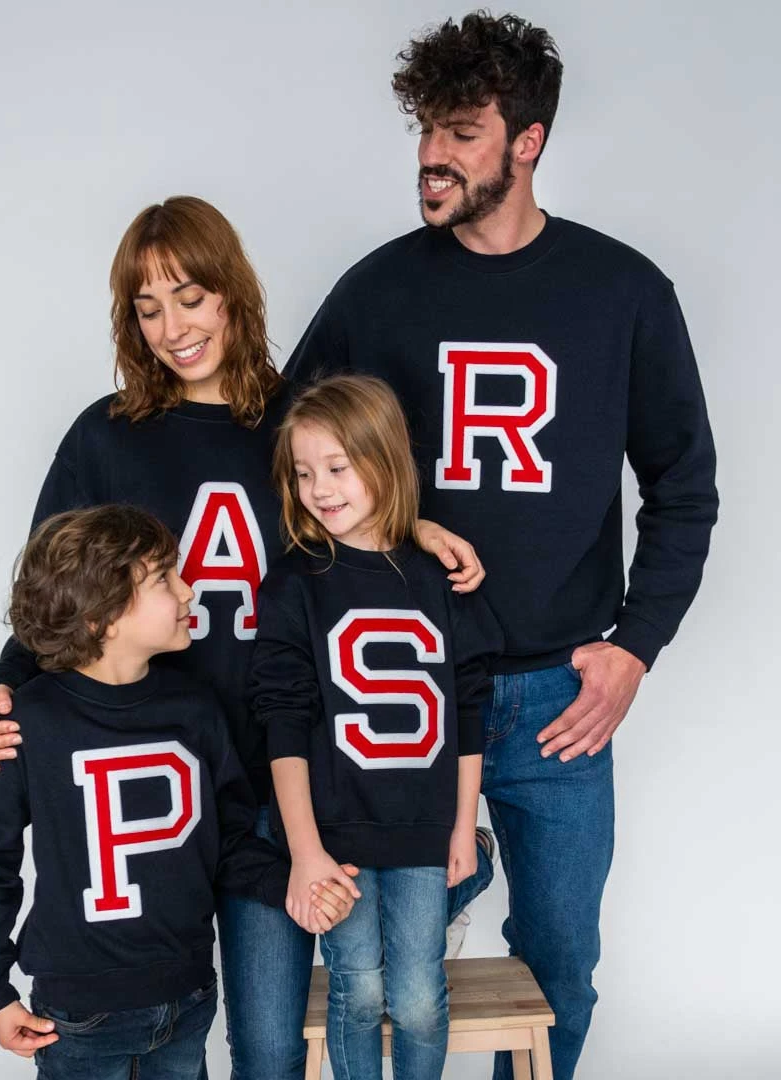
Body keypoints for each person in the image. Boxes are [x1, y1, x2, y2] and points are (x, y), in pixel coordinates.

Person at [284, 12, 719, 1079]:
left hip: (561, 697)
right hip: (403, 688)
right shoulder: (379, 290)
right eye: (427, 130)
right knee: (383, 963)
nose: (433, 155)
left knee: (561, 962)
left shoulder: (622, 291)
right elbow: (284, 447)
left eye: (463, 132)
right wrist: (398, 527)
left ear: (528, 142)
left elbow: (684, 488)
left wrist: (635, 647)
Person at [0, 195, 487, 1079]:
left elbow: (364, 510)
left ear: (232, 292)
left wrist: (417, 533)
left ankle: (449, 888)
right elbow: (52, 592)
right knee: (187, 1026)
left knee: (277, 1041)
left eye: (191, 297)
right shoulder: (105, 437)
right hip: (155, 768)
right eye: (148, 308)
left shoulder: (297, 418)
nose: (173, 328)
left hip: (282, 777)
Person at [0, 504, 355, 1080]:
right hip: (78, 1018)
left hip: (187, 1001)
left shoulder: (196, 712)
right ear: (103, 616)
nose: (189, 590)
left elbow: (228, 844)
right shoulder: (28, 724)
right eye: (164, 578)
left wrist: (293, 884)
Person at [250, 375, 505, 1079]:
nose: (319, 489)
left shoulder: (439, 577)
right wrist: (305, 850)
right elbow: (283, 722)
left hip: (422, 826)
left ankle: (473, 865)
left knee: (418, 995)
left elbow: (468, 710)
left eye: (337, 467)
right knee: (358, 986)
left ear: (384, 460)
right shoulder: (295, 583)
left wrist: (463, 826)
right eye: (303, 473)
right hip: (338, 834)